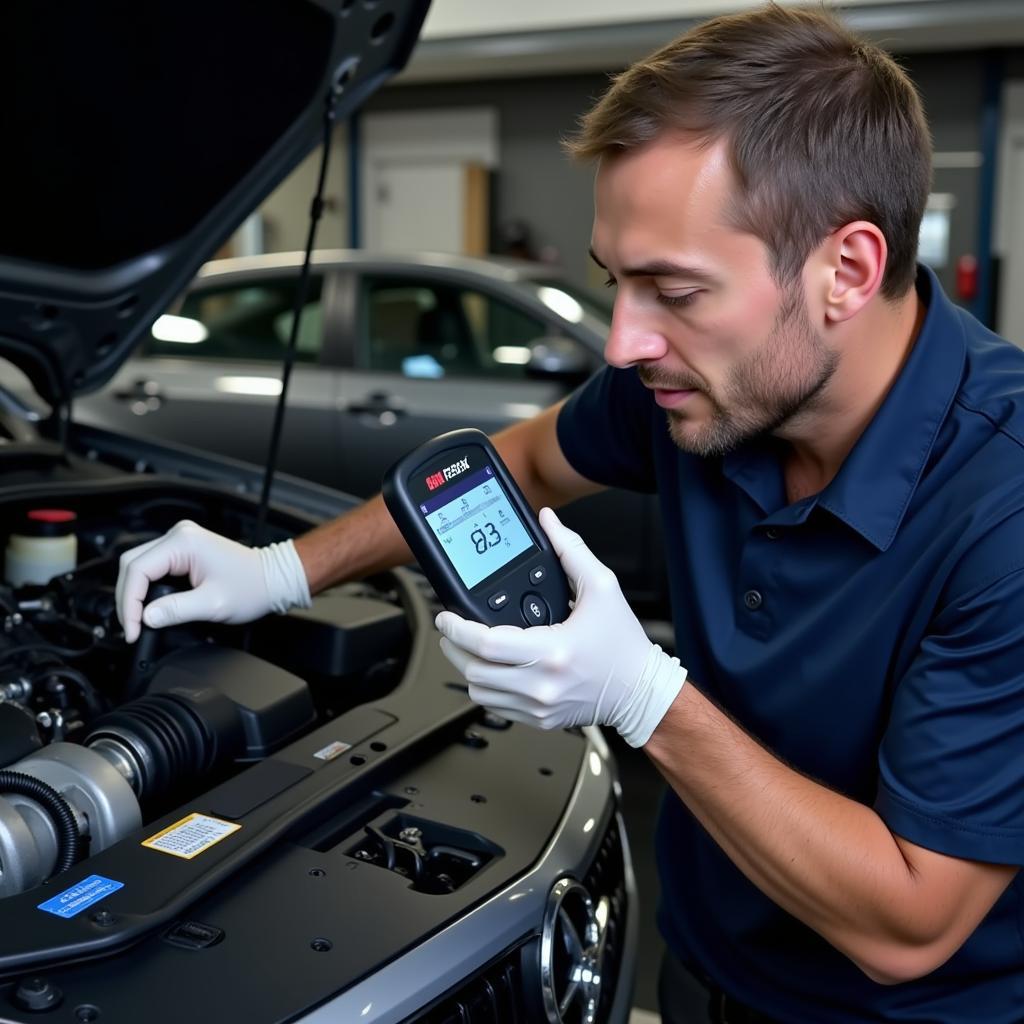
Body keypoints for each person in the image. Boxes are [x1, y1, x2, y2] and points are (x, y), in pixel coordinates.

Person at [115, 5, 1024, 1021]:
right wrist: (282, 569)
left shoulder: (1004, 509)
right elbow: (521, 459)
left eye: (672, 288)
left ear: (844, 271)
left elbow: (910, 922)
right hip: (703, 958)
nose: (625, 342)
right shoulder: (694, 379)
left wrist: (643, 696)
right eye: (614, 283)